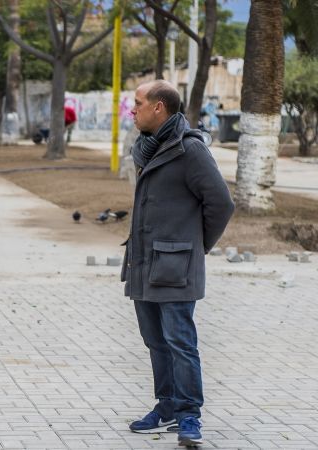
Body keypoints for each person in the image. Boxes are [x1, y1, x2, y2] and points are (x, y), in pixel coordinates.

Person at [122, 80, 234, 446]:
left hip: (176, 265)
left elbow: (221, 204)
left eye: (138, 103)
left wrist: (196, 245)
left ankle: (189, 417)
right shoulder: (147, 148)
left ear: (159, 108)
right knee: (155, 341)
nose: (132, 109)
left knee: (180, 342)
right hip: (144, 261)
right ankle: (166, 406)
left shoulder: (190, 150)